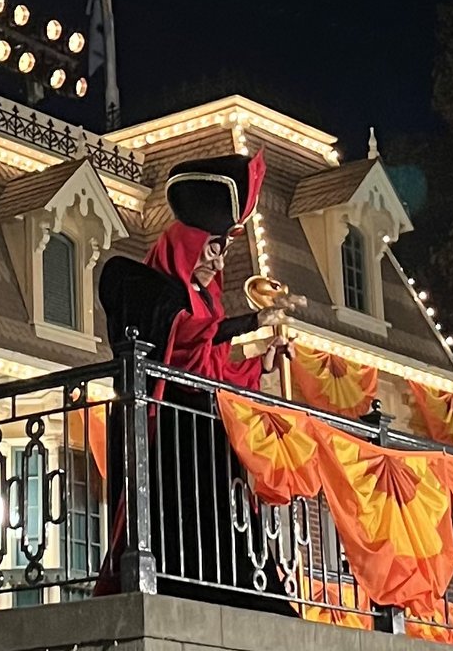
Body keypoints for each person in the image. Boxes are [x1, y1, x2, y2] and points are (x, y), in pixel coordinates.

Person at [94, 151, 303, 614]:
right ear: (187, 242)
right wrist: (248, 323)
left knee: (231, 546)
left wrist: (260, 363)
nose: (218, 259)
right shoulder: (142, 286)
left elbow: (213, 373)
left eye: (224, 249)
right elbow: (183, 336)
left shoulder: (208, 302)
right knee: (183, 539)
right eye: (212, 247)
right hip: (167, 439)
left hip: (206, 442)